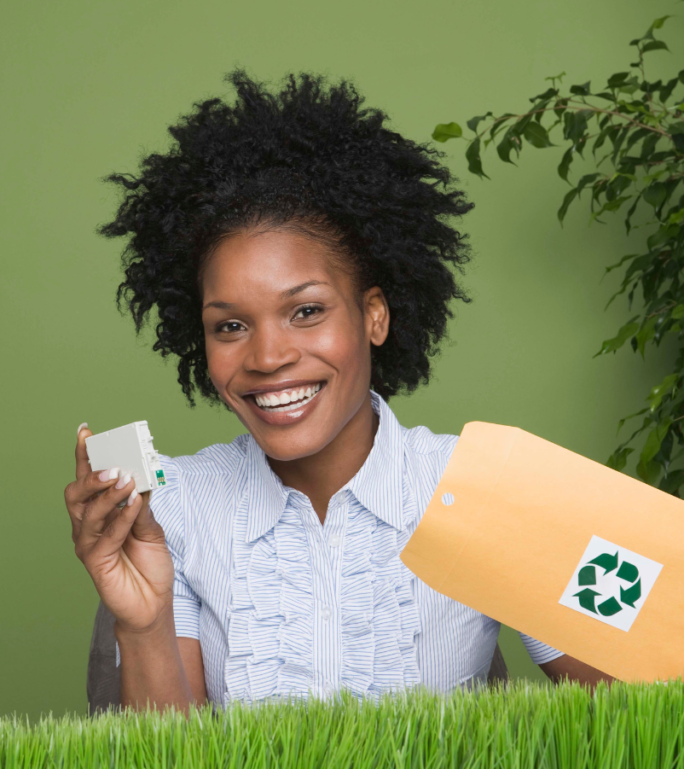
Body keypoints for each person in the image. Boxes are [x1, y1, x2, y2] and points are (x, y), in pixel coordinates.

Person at [64, 71, 612, 716]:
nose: (268, 358)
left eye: (306, 312)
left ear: (374, 316)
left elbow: (646, 731)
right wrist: (145, 623)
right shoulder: (173, 511)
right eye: (230, 326)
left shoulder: (486, 488)